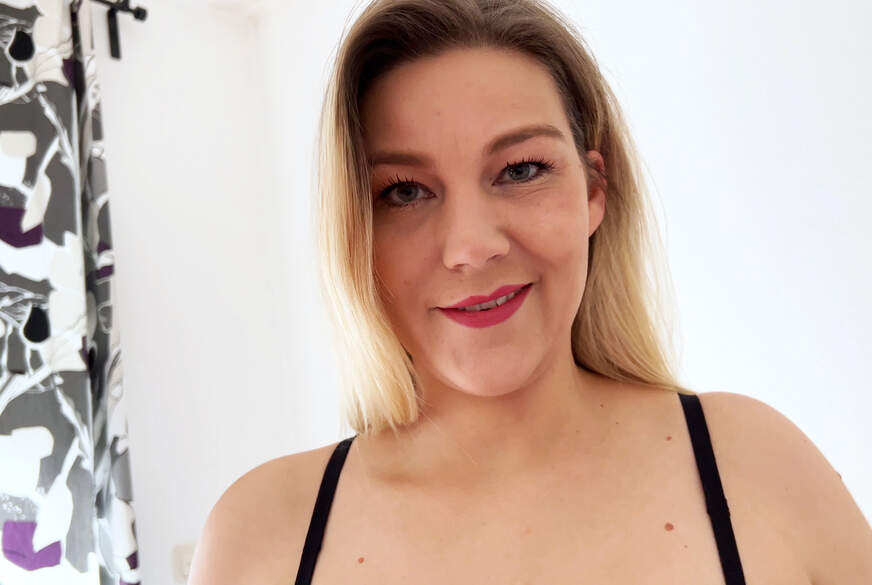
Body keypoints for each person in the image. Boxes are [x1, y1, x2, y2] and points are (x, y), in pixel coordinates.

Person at [188, 1, 872, 583]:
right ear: (355, 230)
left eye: (519, 170)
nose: (470, 245)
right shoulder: (262, 537)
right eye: (405, 191)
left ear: (594, 190)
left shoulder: (757, 466)